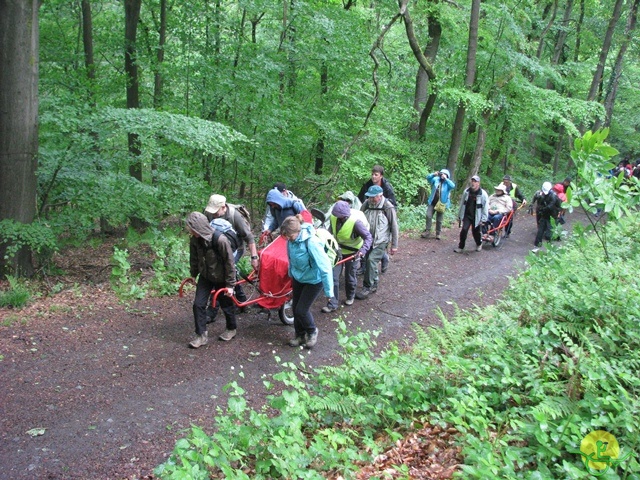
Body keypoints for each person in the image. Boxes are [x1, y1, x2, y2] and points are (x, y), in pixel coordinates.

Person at [280, 215, 334, 349]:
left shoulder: (311, 242)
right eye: (285, 236)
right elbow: (291, 260)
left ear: (297, 232)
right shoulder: (290, 241)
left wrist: (329, 292)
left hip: (314, 280)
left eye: (289, 236)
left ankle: (312, 331)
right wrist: (290, 275)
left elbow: (325, 267)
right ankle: (299, 335)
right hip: (299, 278)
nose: (287, 239)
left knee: (301, 310)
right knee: (295, 308)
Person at [185, 212, 238, 347]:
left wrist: (230, 285)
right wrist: (193, 274)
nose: (190, 231)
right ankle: (201, 335)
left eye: (191, 228)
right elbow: (194, 258)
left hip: (222, 277)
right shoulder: (194, 240)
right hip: (205, 276)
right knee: (198, 304)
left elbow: (229, 263)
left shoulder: (220, 240)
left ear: (198, 227)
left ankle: (231, 329)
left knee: (226, 305)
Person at [205, 194, 259, 307]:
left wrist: (254, 258)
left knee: (223, 271)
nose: (213, 214)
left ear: (223, 207)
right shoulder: (209, 214)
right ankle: (242, 300)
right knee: (228, 271)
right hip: (218, 247)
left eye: (216, 211)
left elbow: (249, 237)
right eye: (212, 211)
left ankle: (213, 307)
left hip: (236, 248)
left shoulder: (235, 216)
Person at [322, 200, 372, 312]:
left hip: (353, 252)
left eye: (340, 216)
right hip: (338, 250)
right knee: (333, 277)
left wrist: (362, 251)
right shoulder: (333, 217)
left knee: (349, 276)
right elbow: (330, 232)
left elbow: (368, 237)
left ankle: (350, 296)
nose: (337, 217)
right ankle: (332, 304)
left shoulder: (356, 223)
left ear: (345, 215)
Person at [356, 185, 399, 299]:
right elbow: (359, 217)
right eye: (369, 197)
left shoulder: (388, 207)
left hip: (381, 240)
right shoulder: (366, 204)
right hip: (368, 239)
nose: (371, 199)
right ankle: (374, 283)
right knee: (368, 261)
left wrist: (394, 245)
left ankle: (367, 287)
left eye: (373, 197)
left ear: (380, 196)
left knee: (371, 260)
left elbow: (394, 226)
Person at [357, 165, 396, 274]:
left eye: (376, 175)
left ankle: (384, 258)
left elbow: (393, 204)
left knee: (378, 243)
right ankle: (363, 267)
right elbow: (359, 198)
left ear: (381, 176)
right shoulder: (367, 185)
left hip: (383, 216)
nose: (373, 177)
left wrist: (385, 213)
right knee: (365, 242)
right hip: (369, 214)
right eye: (372, 174)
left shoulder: (387, 187)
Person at [454, 175, 488, 253]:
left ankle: (479, 244)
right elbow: (462, 203)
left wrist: (484, 219)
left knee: (475, 232)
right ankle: (461, 247)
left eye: (475, 181)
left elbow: (485, 207)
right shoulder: (466, 192)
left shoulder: (483, 194)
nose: (473, 183)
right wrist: (459, 215)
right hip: (467, 215)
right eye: (472, 181)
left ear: (478, 183)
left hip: (477, 216)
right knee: (464, 230)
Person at [421, 168, 455, 240]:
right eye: (441, 173)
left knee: (439, 219)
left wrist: (446, 179)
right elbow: (428, 178)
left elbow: (453, 186)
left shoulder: (448, 184)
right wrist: (433, 174)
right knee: (428, 215)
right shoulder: (436, 179)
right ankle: (427, 231)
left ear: (447, 176)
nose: (442, 175)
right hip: (432, 202)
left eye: (444, 174)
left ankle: (438, 233)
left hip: (441, 204)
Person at [532, 181, 562, 251]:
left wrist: (542, 209)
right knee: (540, 230)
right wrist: (539, 208)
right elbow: (540, 203)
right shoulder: (542, 195)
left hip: (552, 216)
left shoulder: (553, 196)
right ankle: (537, 245)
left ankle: (550, 248)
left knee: (549, 233)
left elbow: (551, 206)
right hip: (545, 215)